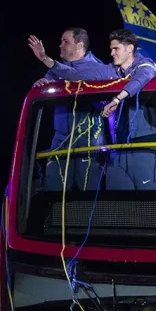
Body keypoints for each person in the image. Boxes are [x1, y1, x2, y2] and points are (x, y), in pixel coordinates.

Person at [31, 29, 156, 190]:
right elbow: (76, 74)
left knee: (145, 198)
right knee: (118, 197)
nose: (111, 53)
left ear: (130, 48)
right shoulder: (111, 70)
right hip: (118, 146)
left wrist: (116, 99)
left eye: (116, 49)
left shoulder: (145, 64)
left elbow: (144, 75)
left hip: (143, 144)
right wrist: (45, 59)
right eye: (111, 49)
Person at [27, 29, 109, 191]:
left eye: (65, 41)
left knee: (88, 192)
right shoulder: (56, 70)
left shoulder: (98, 67)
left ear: (79, 45)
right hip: (61, 139)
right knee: (53, 188)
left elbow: (77, 76)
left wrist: (45, 58)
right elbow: (47, 85)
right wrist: (41, 84)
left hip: (89, 140)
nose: (60, 45)